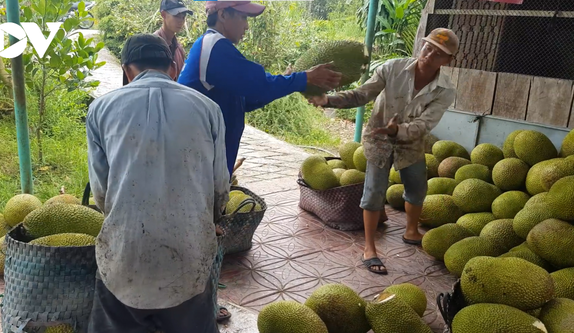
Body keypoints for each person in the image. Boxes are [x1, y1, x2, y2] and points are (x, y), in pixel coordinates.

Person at [86, 33, 230, 333]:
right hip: (189, 255)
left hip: (125, 255)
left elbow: (101, 192)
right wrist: (212, 220)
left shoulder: (100, 109)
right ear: (173, 68)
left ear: (126, 71)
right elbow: (219, 188)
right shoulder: (208, 109)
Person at [308, 28, 459, 275]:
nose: (429, 54)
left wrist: (398, 130)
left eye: (438, 53)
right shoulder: (393, 68)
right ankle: (369, 248)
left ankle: (411, 231)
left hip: (411, 142)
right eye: (428, 47)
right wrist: (329, 100)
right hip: (378, 138)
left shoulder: (444, 90)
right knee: (374, 192)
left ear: (448, 61)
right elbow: (361, 94)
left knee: (417, 186)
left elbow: (426, 124)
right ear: (421, 46)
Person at [177, 1, 343, 178]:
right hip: (199, 160)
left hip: (206, 156)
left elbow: (246, 98)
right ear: (223, 15)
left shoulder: (212, 46)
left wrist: (288, 82)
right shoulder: (215, 47)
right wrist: (305, 78)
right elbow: (260, 85)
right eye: (243, 17)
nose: (247, 26)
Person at [154, 0, 193, 81]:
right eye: (177, 16)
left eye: (183, 17)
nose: (181, 21)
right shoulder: (152, 45)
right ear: (163, 15)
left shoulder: (179, 49)